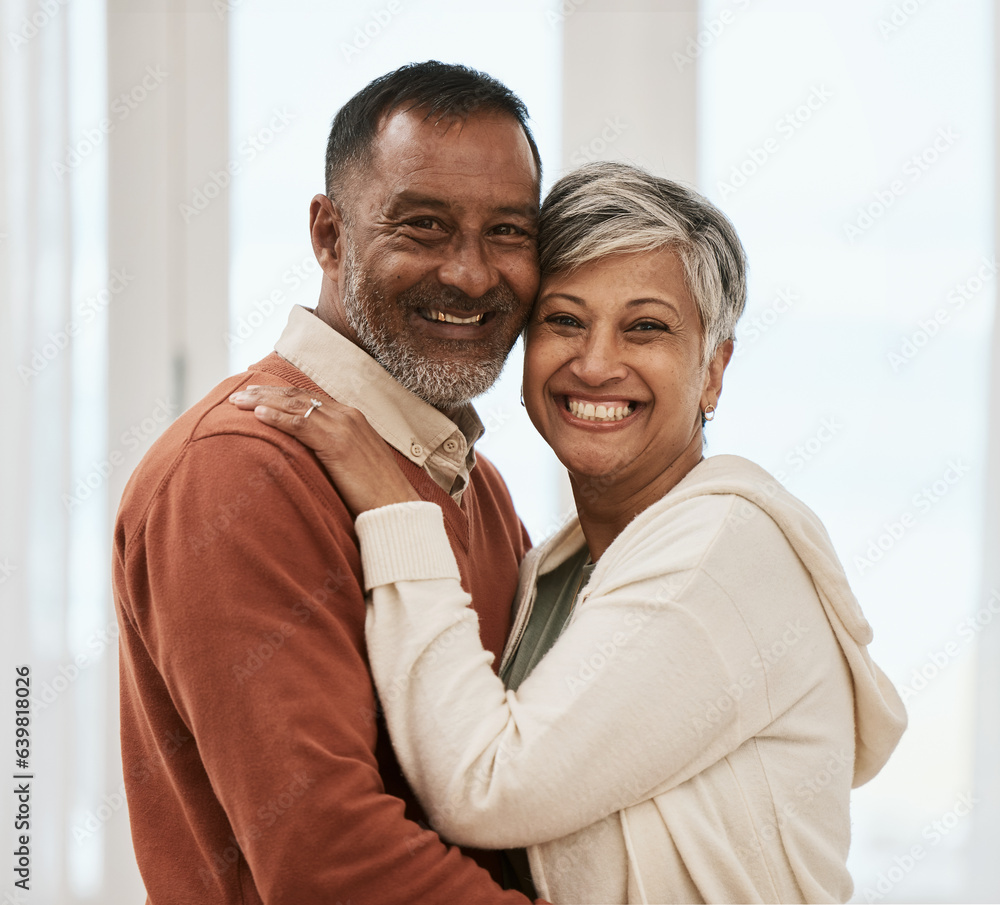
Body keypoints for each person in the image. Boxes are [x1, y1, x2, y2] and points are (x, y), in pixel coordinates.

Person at [232, 161, 908, 904]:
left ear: (714, 371)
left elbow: (484, 786)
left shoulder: (722, 547)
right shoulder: (556, 567)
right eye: (564, 320)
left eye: (645, 327)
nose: (595, 363)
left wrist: (397, 510)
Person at [112, 61, 550, 903]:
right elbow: (332, 863)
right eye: (423, 226)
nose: (470, 273)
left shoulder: (475, 484)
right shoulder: (235, 473)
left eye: (508, 232)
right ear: (328, 234)